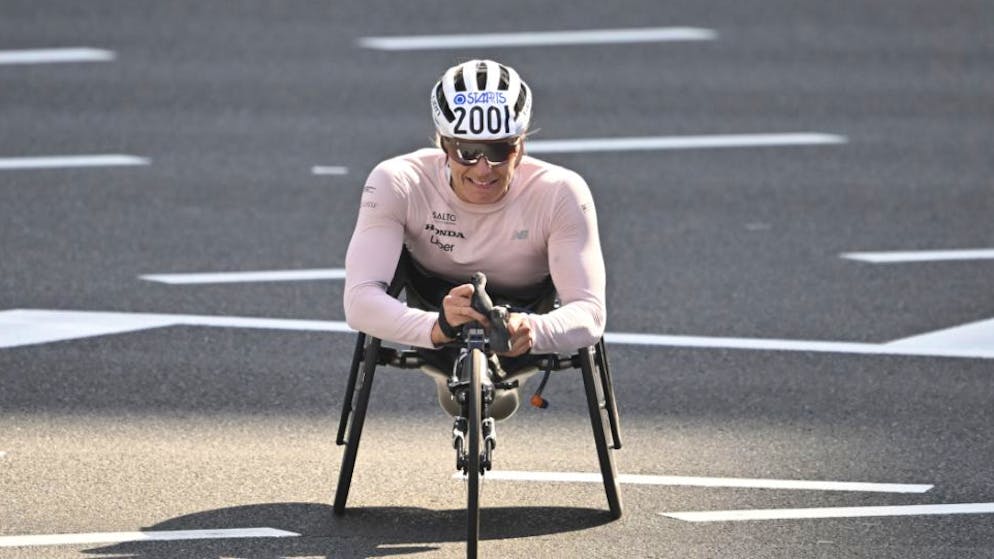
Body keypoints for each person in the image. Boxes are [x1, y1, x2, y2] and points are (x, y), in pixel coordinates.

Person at [343, 59, 606, 418]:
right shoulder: (398, 182)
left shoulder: (560, 191)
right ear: (443, 144)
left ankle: (500, 379)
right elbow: (359, 301)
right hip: (435, 311)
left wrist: (532, 329)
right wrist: (437, 326)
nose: (484, 169)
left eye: (500, 150)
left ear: (521, 145)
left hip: (523, 315)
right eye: (467, 152)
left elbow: (590, 312)